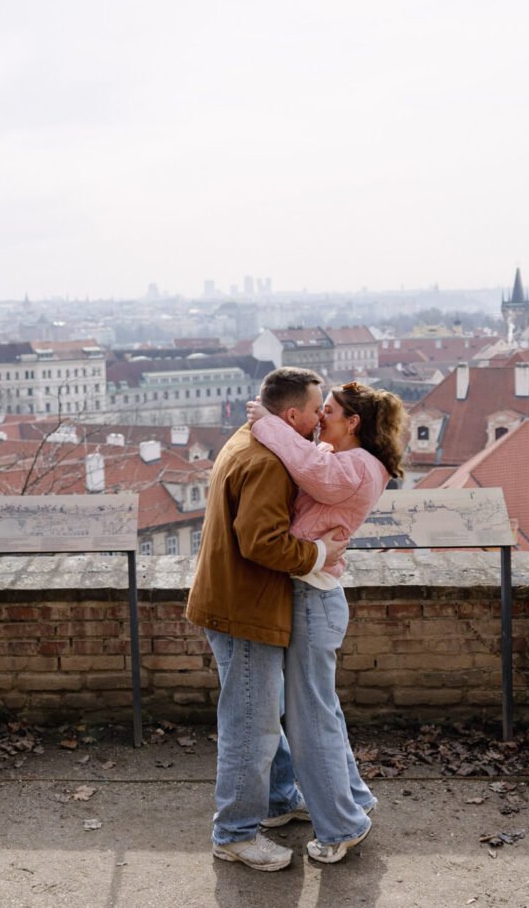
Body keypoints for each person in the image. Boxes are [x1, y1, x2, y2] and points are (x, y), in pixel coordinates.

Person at [185, 367, 348, 872]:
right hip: (245, 609)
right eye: (316, 410)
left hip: (232, 600)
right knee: (251, 724)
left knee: (261, 712)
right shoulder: (269, 462)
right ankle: (234, 833)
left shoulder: (249, 439)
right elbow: (262, 543)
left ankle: (277, 800)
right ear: (292, 415)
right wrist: (320, 553)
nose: (321, 419)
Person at [246, 379, 407, 864]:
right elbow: (312, 461)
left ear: (353, 422)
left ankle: (342, 826)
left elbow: (310, 469)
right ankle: (352, 799)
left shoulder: (356, 466)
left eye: (329, 411)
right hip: (312, 595)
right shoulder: (349, 460)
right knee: (319, 710)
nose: (320, 419)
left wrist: (268, 423)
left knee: (310, 719)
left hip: (313, 600)